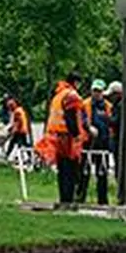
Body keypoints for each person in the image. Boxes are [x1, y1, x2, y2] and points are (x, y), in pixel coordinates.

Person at [45, 72, 86, 207]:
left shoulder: (58, 95)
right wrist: (76, 135)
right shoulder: (71, 96)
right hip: (68, 138)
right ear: (75, 82)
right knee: (71, 170)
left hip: (56, 137)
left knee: (62, 170)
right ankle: (68, 199)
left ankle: (63, 198)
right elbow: (71, 117)